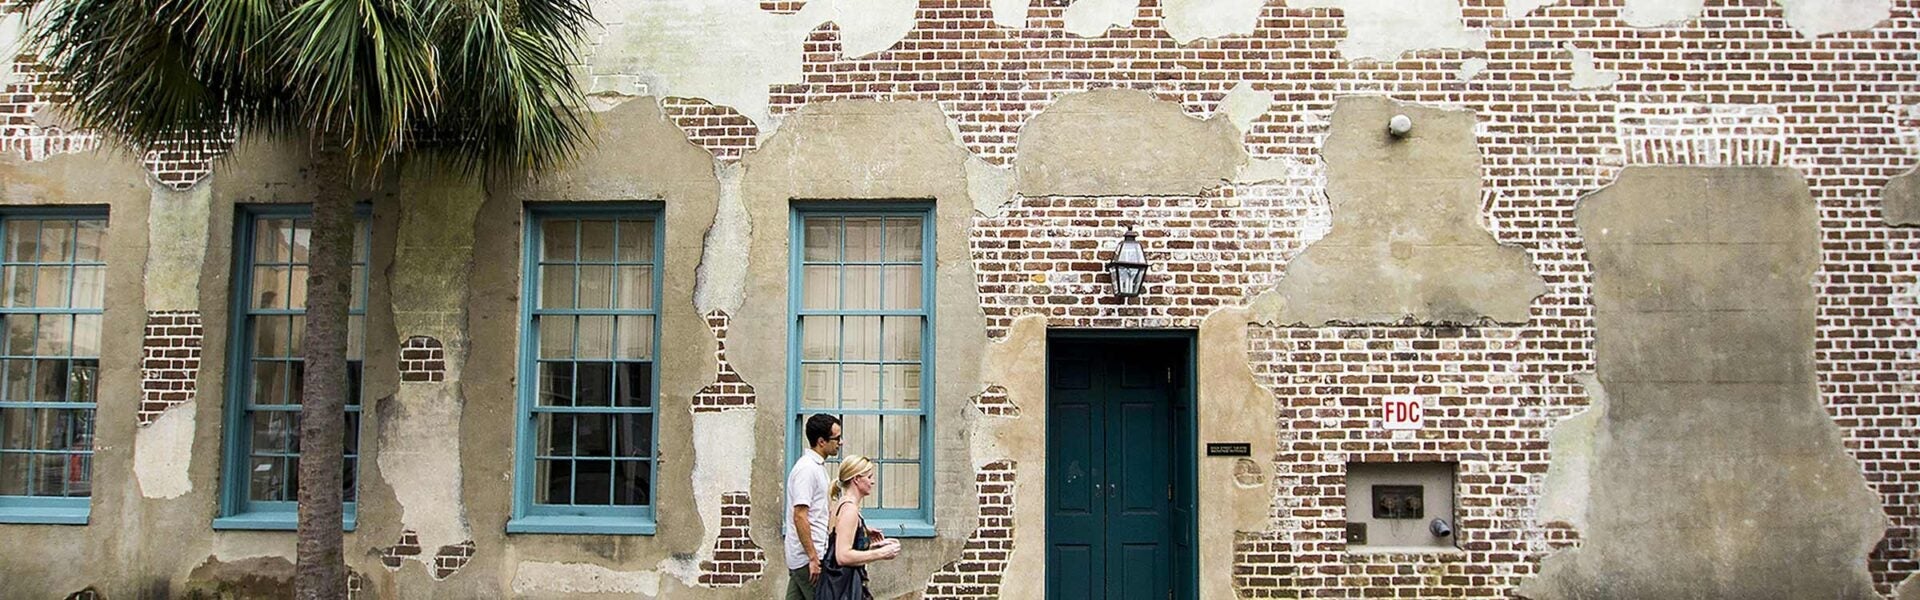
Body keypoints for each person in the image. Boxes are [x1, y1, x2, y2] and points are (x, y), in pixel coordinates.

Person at [816, 455, 899, 600]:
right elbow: (842, 556)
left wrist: (870, 543)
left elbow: (841, 544)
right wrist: (881, 554)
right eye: (869, 477)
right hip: (843, 589)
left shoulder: (842, 504)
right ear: (856, 479)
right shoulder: (849, 510)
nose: (872, 482)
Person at [785, 414, 841, 600]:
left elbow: (823, 512)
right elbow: (800, 515)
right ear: (821, 441)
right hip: (807, 560)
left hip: (806, 557)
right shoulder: (807, 469)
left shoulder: (817, 467)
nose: (840, 442)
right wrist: (813, 557)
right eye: (837, 438)